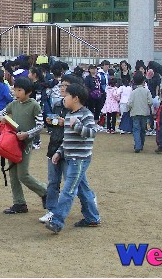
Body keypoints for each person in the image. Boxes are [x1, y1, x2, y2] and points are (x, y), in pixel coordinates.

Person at [45, 83, 100, 233]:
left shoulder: (86, 114)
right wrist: (59, 152)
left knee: (68, 190)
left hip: (79, 159)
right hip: (71, 158)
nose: (64, 98)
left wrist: (77, 126)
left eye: (67, 96)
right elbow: (67, 139)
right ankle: (92, 217)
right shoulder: (69, 115)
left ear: (76, 98)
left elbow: (92, 132)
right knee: (82, 189)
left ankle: (57, 221)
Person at [0, 77, 47, 215]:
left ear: (29, 92)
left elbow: (40, 125)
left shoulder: (34, 105)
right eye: (15, 90)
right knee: (13, 175)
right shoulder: (13, 104)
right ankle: (19, 203)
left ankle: (45, 191)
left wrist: (27, 134)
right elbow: (0, 114)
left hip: (25, 144)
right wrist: (2, 118)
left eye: (20, 90)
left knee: (23, 175)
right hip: (12, 143)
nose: (16, 93)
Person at [39, 73, 81, 224]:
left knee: (72, 182)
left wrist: (66, 123)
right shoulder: (57, 105)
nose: (62, 88)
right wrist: (50, 121)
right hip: (54, 145)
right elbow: (54, 125)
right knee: (53, 181)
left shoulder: (78, 109)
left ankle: (88, 202)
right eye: (61, 85)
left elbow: (82, 130)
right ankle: (51, 210)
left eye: (66, 86)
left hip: (70, 149)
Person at [128, 71, 153, 153]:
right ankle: (141, 144)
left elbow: (129, 103)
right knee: (142, 129)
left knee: (136, 129)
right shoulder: (147, 91)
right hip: (144, 112)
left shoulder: (133, 92)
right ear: (143, 81)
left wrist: (130, 109)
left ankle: (137, 145)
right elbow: (150, 102)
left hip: (135, 112)